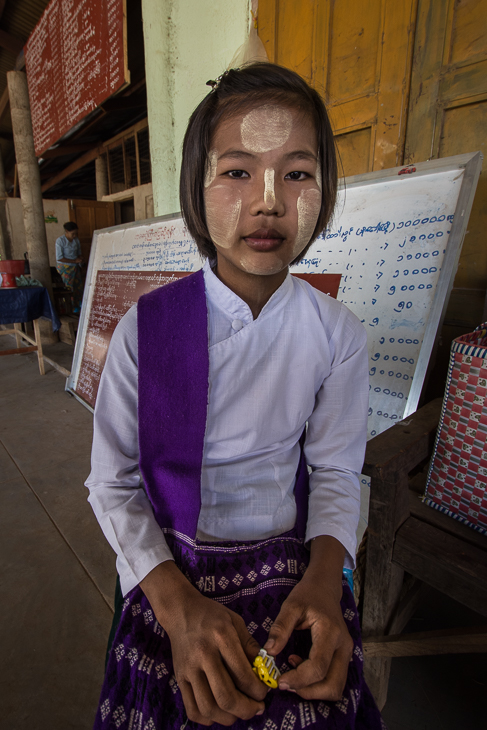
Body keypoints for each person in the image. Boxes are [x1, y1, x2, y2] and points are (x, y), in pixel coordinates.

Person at [86, 63, 385, 729]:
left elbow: (336, 469)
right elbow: (112, 484)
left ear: (324, 189)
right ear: (197, 188)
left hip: (292, 559)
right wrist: (177, 605)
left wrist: (324, 579)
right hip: (171, 559)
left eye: (297, 172)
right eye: (237, 171)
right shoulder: (148, 329)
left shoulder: (335, 333)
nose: (269, 201)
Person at [55, 221, 84, 313]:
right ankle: (68, 308)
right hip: (65, 268)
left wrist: (80, 259)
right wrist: (74, 261)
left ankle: (77, 306)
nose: (74, 236)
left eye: (76, 233)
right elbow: (59, 258)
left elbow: (79, 254)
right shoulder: (60, 241)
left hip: (75, 268)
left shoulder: (76, 240)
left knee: (77, 288)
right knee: (68, 288)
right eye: (72, 234)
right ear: (66, 231)